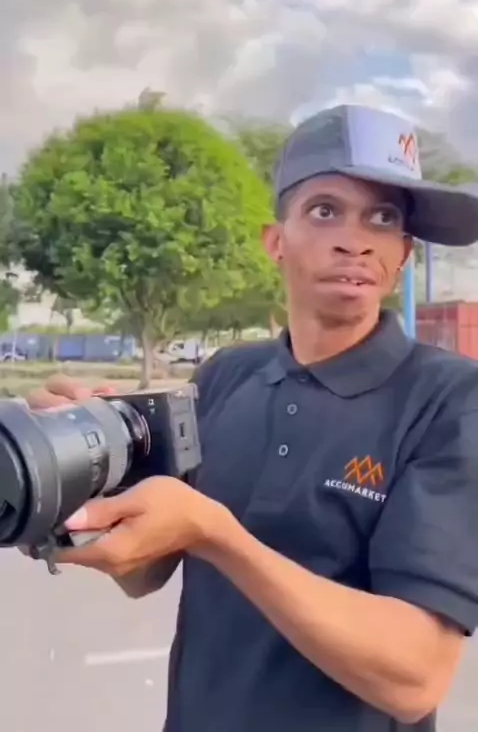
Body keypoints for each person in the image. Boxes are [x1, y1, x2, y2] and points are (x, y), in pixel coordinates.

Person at [26, 104, 478, 732]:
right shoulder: (224, 377)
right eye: (325, 210)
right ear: (276, 242)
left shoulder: (450, 399)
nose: (356, 240)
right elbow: (145, 571)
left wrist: (220, 535)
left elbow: (414, 677)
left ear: (402, 254)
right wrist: (83, 481)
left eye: (383, 218)